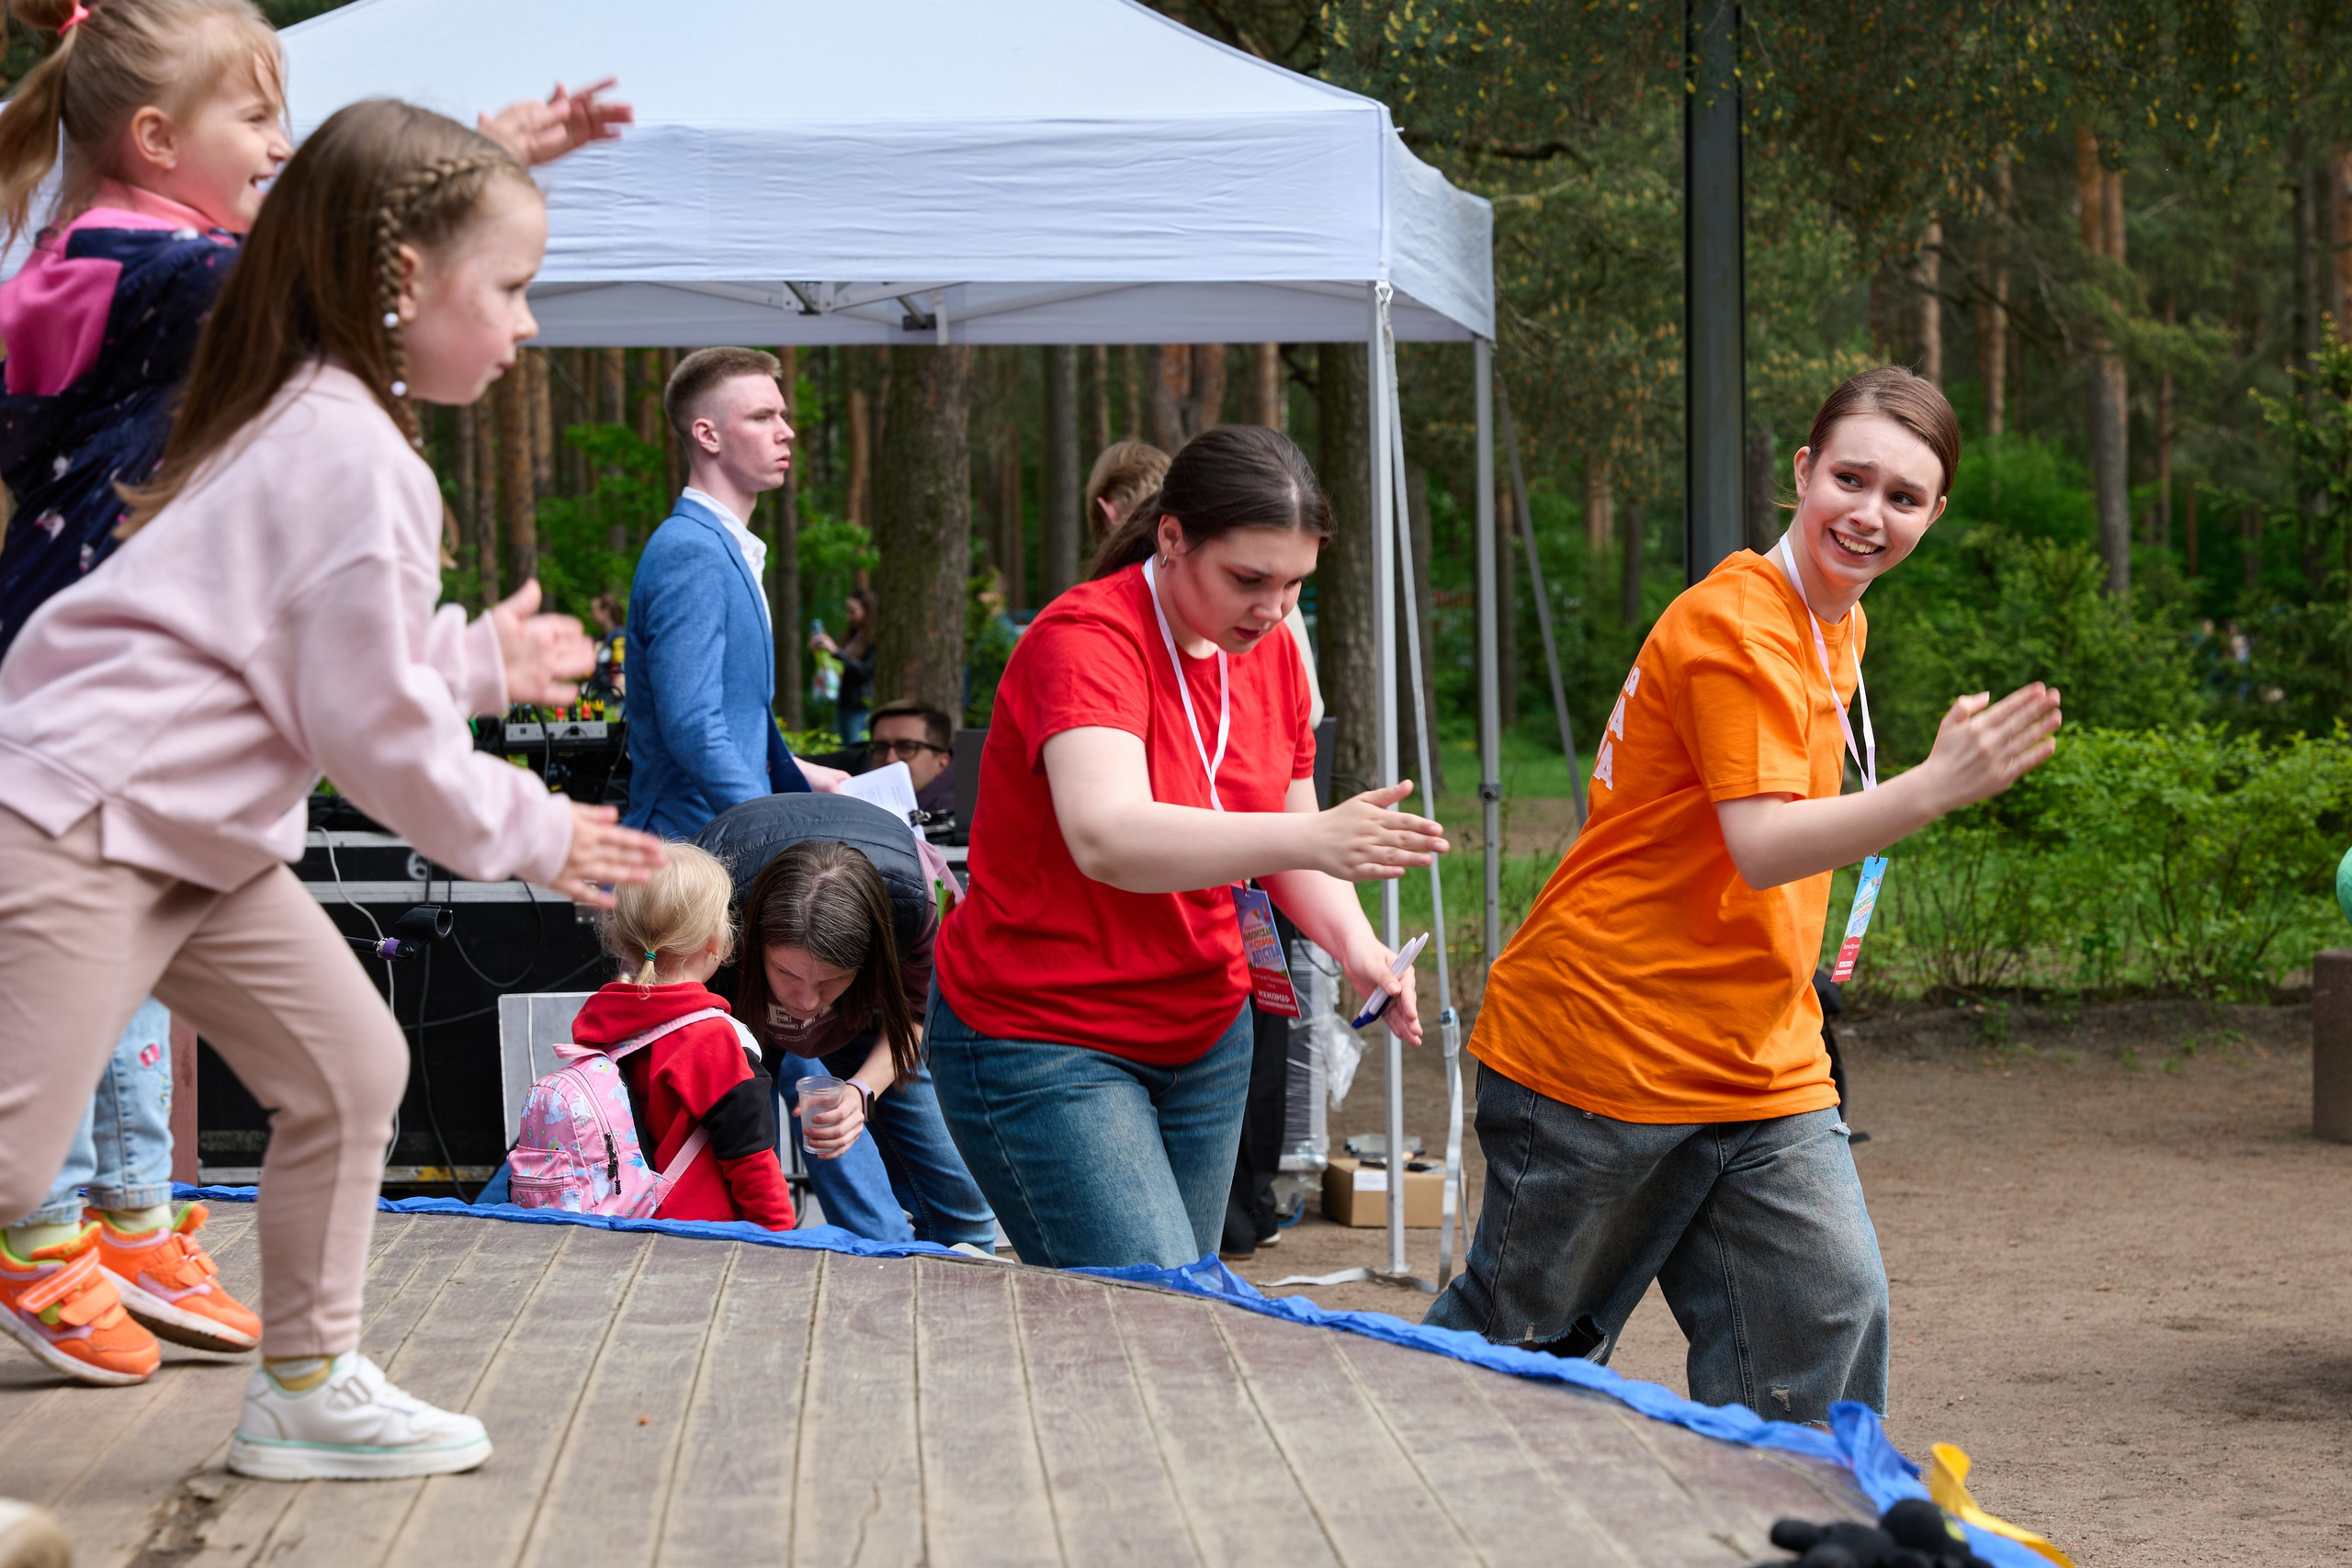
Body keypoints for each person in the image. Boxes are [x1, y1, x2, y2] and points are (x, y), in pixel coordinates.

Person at [0, 99, 665, 1476]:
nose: (530, 327)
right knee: (13, 1165)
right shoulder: (350, 446)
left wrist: (474, 659)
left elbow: (298, 645)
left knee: (348, 1065)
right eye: (515, 289)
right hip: (78, 818)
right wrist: (537, 832)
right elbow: (371, 739)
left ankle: (306, 1383)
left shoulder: (315, 410)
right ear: (407, 279)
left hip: (184, 828)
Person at [1426, 367, 2063, 1424]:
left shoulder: (1832, 623)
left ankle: (1803, 1534)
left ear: (1933, 515)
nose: (1868, 515)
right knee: (1520, 1344)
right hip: (1604, 1051)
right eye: (1849, 480)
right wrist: (1932, 789)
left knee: (1825, 1313)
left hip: (1761, 1058)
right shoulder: (1737, 623)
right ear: (1802, 473)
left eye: (1902, 498)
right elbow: (1762, 846)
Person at [928, 425, 1450, 1269]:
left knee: (1179, 1313)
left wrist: (1361, 949)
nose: (1275, 610)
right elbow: (1109, 837)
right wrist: (1314, 835)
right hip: (1046, 1033)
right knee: (1158, 1311)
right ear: (1171, 538)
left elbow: (1281, 835)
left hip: (1206, 1033)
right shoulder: (1086, 640)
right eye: (1249, 579)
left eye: (1294, 585)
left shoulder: (1273, 652)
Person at [695, 793, 995, 1250]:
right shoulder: (708, 899)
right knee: (744, 1204)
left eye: (831, 980)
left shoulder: (929, 900)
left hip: (876, 1017)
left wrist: (863, 1090)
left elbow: (924, 1011)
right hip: (733, 1016)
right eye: (789, 973)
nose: (807, 1002)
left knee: (961, 1203)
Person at [624, 348, 845, 838]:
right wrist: (775, 834)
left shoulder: (721, 547)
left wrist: (801, 772)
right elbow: (692, 726)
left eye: (782, 415)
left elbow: (735, 720)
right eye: (763, 417)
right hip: (690, 861)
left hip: (714, 848)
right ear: (708, 435)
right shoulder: (691, 551)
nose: (786, 431)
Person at [571, 843, 793, 1229]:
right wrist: (781, 1237)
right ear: (715, 943)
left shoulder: (603, 1025)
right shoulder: (713, 1040)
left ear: (621, 940)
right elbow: (751, 1159)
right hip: (702, 1236)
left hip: (622, 1228)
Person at [808, 587, 877, 743]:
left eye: (853, 611)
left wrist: (836, 652)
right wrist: (819, 653)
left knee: (857, 754)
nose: (849, 616)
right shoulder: (851, 638)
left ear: (867, 611)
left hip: (860, 708)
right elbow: (834, 670)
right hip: (842, 706)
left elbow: (864, 672)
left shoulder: (873, 639)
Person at [866, 697, 955, 816]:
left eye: (906, 747)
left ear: (941, 763)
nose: (890, 759)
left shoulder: (967, 819)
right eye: (881, 747)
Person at [586, 592, 626, 705]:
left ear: (606, 611)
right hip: (599, 694)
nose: (592, 614)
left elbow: (621, 667)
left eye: (594, 609)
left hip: (612, 697)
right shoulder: (602, 638)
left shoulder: (619, 636)